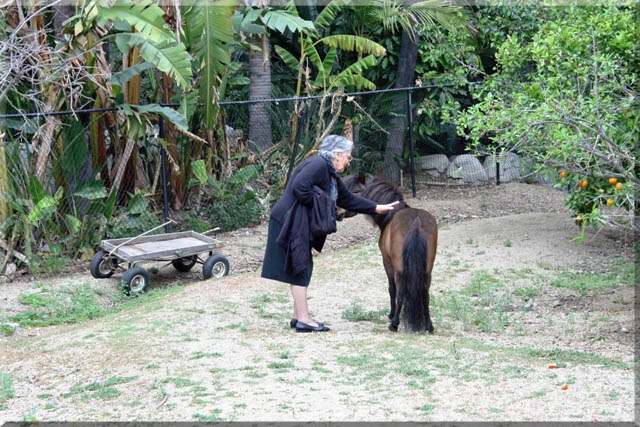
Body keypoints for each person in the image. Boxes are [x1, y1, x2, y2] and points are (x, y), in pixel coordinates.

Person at [261, 135, 399, 332]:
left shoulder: (329, 173)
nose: (348, 162)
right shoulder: (318, 164)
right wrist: (322, 205)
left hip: (295, 221)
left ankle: (298, 316)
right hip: (289, 221)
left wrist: (377, 207)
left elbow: (348, 199)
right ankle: (303, 319)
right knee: (300, 267)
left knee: (300, 266)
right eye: (348, 157)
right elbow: (300, 188)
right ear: (336, 154)